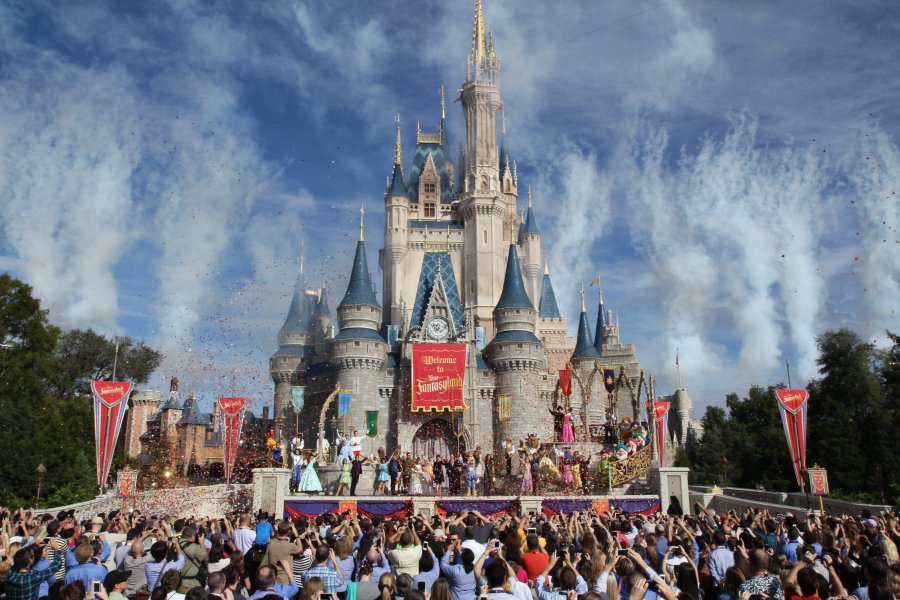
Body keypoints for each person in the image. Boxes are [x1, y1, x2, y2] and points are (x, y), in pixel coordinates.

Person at [177, 526, 208, 593]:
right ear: (192, 536)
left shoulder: (175, 544)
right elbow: (205, 557)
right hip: (190, 584)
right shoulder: (194, 548)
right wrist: (202, 543)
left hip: (177, 581)